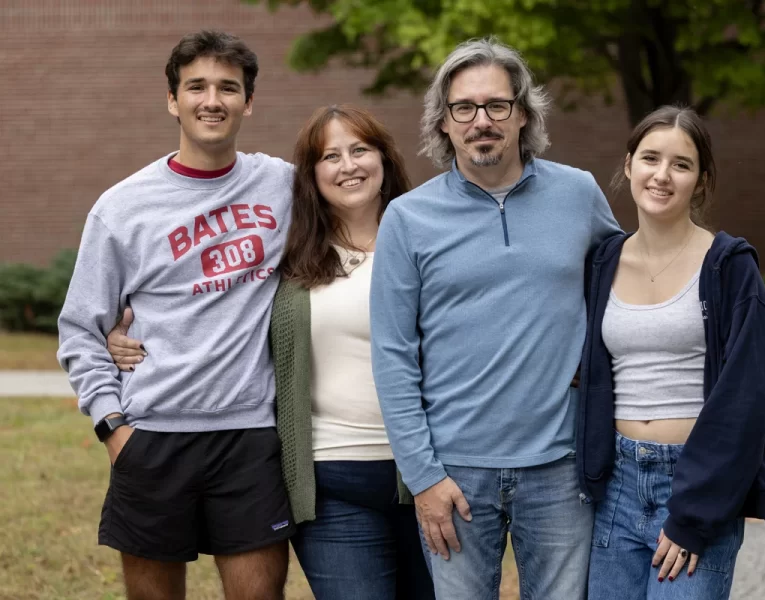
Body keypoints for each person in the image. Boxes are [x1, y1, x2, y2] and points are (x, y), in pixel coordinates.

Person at [108, 105, 436, 599]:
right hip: (330, 480)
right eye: (330, 156)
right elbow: (216, 300)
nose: (348, 166)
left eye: (360, 150)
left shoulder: (430, 241)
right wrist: (128, 336)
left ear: (385, 158)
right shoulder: (292, 253)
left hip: (431, 472)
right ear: (311, 175)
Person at [369, 38, 621, 599]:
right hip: (454, 474)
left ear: (523, 114)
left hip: (561, 465)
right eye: (464, 108)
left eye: (496, 105)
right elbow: (391, 354)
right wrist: (424, 477)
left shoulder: (578, 194)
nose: (481, 120)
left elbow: (629, 281)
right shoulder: (407, 218)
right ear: (444, 123)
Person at [57, 31, 296, 600]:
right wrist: (113, 428)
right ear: (173, 100)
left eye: (228, 88)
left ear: (248, 102)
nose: (212, 100)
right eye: (197, 87)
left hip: (251, 437)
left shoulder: (285, 184)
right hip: (153, 438)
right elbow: (79, 330)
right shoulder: (122, 207)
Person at [576, 105, 765, 600]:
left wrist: (695, 513)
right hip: (617, 487)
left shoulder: (729, 268)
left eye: (681, 164)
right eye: (650, 158)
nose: (662, 176)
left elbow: (746, 402)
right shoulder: (602, 261)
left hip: (696, 485)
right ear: (629, 165)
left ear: (701, 180)